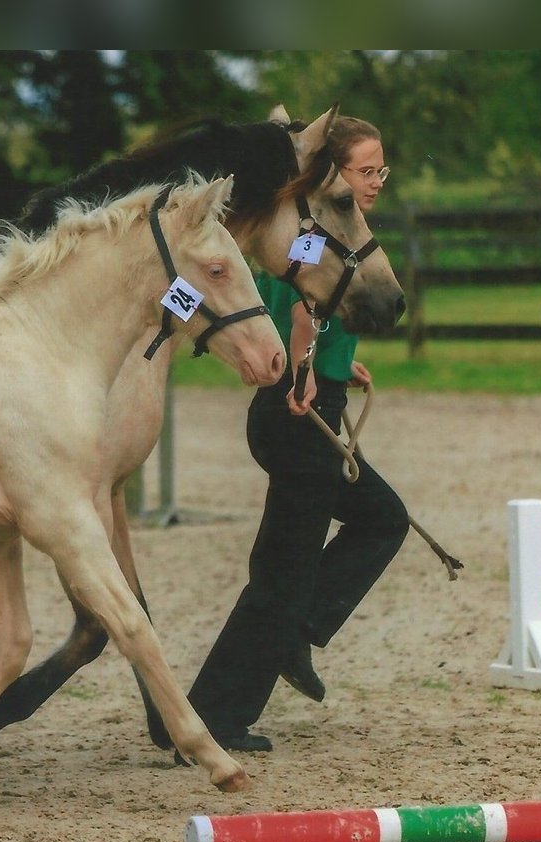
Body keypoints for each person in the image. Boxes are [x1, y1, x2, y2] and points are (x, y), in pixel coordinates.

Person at [183, 116, 410, 753]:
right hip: (296, 408)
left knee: (377, 521)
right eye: (366, 171)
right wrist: (310, 367)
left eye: (380, 171)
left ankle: (288, 632)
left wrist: (338, 363)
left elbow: (305, 308)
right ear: (329, 174)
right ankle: (215, 717)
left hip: (305, 402)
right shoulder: (309, 241)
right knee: (283, 575)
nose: (376, 183)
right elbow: (302, 305)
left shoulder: (315, 238)